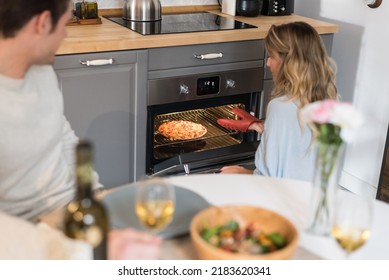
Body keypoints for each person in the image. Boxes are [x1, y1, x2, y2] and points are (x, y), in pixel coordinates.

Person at [0, 0, 160, 259]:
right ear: (42, 24)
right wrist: (82, 252)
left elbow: (62, 136)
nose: (65, 35)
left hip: (70, 214)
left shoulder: (39, 71)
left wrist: (97, 193)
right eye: (64, 25)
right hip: (25, 240)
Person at [218, 21, 338, 181]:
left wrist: (241, 172)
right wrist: (263, 127)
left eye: (272, 56)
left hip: (285, 200)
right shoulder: (327, 99)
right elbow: (300, 148)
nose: (268, 63)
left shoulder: (280, 106)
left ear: (290, 63)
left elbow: (268, 180)